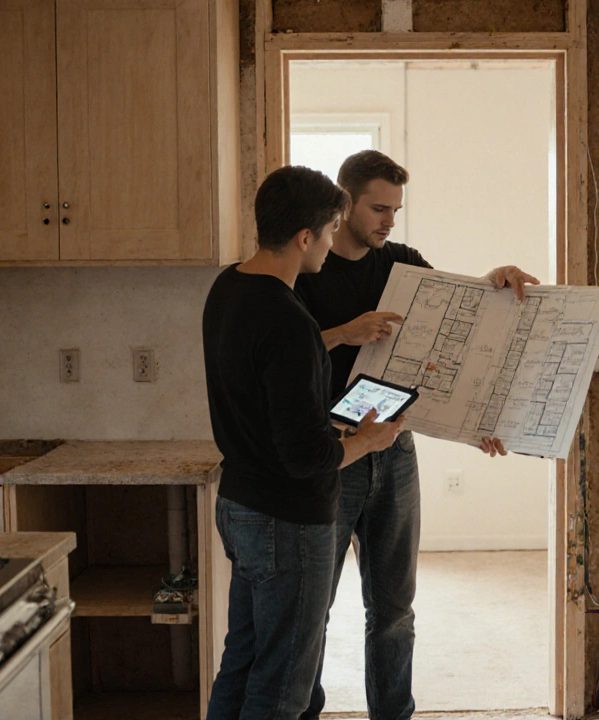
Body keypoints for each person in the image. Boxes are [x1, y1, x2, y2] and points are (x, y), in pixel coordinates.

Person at [295, 150, 539, 720]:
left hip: (394, 451)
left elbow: (460, 319)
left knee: (395, 609)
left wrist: (494, 280)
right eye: (379, 208)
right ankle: (306, 713)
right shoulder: (307, 269)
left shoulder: (402, 263)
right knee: (313, 610)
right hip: (333, 451)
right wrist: (347, 331)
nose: (389, 221)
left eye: (396, 210)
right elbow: (285, 352)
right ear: (345, 201)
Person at [203, 165, 405, 720]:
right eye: (332, 227)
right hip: (286, 521)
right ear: (304, 237)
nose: (332, 242)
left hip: (240, 504)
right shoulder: (287, 319)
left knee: (241, 665)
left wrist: (335, 425)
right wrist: (368, 439)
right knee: (282, 686)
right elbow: (306, 457)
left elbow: (267, 412)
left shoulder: (227, 287)